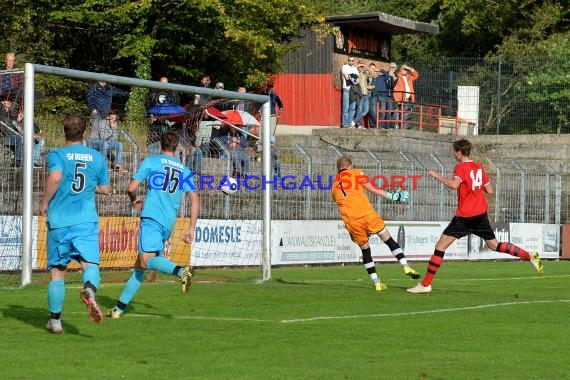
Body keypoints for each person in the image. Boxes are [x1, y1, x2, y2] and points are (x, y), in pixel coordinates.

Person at [407, 139, 543, 294]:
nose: (454, 154)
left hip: (465, 216)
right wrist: (475, 188)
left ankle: (425, 285)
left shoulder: (460, 167)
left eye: (454, 152)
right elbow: (490, 190)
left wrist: (436, 175)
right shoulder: (479, 167)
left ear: (458, 152)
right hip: (480, 214)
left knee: (440, 247)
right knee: (494, 245)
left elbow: (453, 185)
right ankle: (529, 255)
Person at [107, 131, 199, 318]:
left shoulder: (152, 162)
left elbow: (131, 188)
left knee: (146, 261)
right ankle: (118, 309)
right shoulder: (185, 170)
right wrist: (191, 227)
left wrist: (134, 199)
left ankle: (181, 271)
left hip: (151, 217)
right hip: (168, 222)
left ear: (160, 146)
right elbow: (195, 199)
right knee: (140, 266)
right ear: (177, 148)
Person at [39, 115, 111, 333]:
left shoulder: (57, 154)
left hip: (60, 220)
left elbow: (56, 177)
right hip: (86, 220)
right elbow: (106, 190)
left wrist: (44, 203)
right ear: (85, 131)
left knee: (58, 271)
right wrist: (90, 186)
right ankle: (89, 290)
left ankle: (56, 321)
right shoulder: (97, 157)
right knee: (90, 264)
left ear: (64, 131)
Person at [332, 156, 421, 291]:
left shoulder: (333, 185)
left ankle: (377, 283)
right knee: (389, 240)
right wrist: (391, 196)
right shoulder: (356, 173)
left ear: (338, 168)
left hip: (351, 221)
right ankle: (405, 266)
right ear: (350, 166)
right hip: (367, 214)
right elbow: (371, 187)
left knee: (365, 250)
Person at [1, 96, 44, 168]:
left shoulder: (13, 114)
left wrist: (37, 135)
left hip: (17, 136)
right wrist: (18, 120)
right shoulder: (3, 113)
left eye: (10, 100)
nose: (9, 102)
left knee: (41, 141)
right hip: (7, 137)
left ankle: (34, 162)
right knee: (22, 138)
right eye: (7, 100)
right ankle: (18, 162)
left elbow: (37, 130)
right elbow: (10, 129)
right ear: (2, 102)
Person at [393, 63, 419, 129]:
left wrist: (409, 68)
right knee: (400, 114)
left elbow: (416, 75)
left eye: (406, 70)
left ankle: (406, 128)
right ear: (401, 69)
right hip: (400, 99)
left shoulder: (409, 77)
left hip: (408, 99)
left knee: (407, 114)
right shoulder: (398, 76)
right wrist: (396, 98)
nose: (406, 71)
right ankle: (401, 127)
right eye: (404, 69)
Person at [341, 56, 358, 128]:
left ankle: (349, 124)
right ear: (347, 60)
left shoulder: (355, 68)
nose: (351, 62)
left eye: (352, 60)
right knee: (346, 107)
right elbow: (346, 77)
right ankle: (345, 124)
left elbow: (357, 80)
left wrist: (350, 76)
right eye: (349, 60)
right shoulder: (344, 67)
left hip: (353, 89)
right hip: (347, 89)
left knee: (352, 108)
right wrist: (353, 77)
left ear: (354, 61)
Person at [352, 62, 369, 128]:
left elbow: (371, 73)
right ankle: (358, 124)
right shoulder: (356, 73)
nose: (361, 68)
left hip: (366, 94)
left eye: (362, 67)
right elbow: (354, 69)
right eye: (360, 66)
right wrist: (358, 65)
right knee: (359, 110)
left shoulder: (365, 74)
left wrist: (365, 66)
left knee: (366, 110)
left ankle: (354, 120)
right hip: (360, 94)